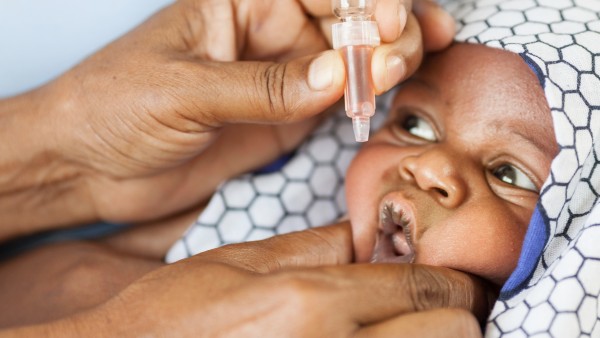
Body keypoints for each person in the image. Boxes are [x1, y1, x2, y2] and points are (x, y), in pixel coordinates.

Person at [0, 0, 488, 336]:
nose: (429, 168)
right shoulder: (164, 262)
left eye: (508, 175)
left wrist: (58, 170)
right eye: (414, 124)